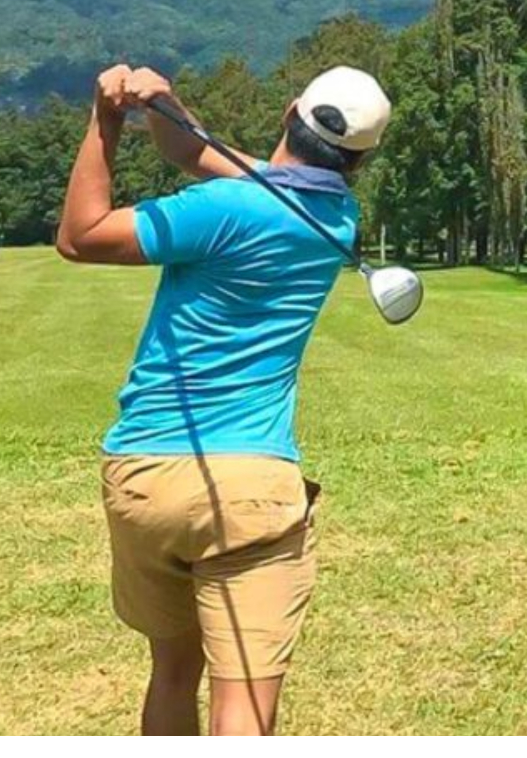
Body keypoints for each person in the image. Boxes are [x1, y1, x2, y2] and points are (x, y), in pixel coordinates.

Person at [55, 62, 391, 735]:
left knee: (174, 673)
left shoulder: (220, 208)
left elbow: (80, 236)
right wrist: (167, 105)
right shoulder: (337, 220)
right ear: (359, 161)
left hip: (145, 474)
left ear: (289, 111)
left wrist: (107, 119)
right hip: (252, 489)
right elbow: (202, 153)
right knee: (243, 705)